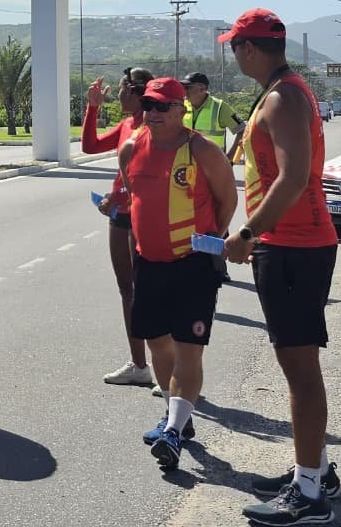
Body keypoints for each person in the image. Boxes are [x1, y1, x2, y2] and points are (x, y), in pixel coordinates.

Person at [218, 10, 341, 525]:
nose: (232, 54)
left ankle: (310, 494)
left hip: (292, 245)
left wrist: (249, 233)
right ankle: (316, 469)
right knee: (298, 366)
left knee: (300, 373)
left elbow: (291, 180)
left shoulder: (283, 96)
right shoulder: (284, 91)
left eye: (233, 46)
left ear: (248, 48)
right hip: (291, 244)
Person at [118, 77, 237, 471]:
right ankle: (177, 418)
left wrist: (211, 241)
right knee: (158, 345)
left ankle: (171, 431)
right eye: (148, 105)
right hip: (149, 263)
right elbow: (130, 194)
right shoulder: (132, 146)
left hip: (193, 264)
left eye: (162, 106)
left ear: (181, 109)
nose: (152, 113)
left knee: (188, 347)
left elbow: (227, 199)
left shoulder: (201, 149)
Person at [81, 66, 155, 387]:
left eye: (124, 88)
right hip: (120, 215)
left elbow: (146, 174)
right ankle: (140, 365)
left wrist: (116, 195)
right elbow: (90, 146)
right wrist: (92, 107)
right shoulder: (126, 124)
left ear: (138, 91)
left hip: (145, 214)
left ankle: (166, 368)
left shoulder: (155, 125)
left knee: (149, 291)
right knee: (127, 289)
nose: (119, 93)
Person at [182, 71, 244, 285]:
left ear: (202, 89)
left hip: (214, 171)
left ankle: (219, 265)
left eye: (189, 88)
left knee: (217, 217)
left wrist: (230, 159)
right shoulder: (184, 106)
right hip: (187, 171)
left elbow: (242, 130)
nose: (185, 92)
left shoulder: (219, 107)